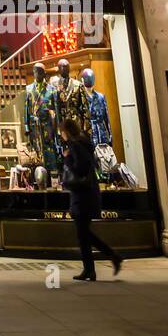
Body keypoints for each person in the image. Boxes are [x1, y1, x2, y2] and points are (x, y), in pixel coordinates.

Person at [60, 118, 123, 282]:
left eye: (62, 131)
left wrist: (66, 158)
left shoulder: (74, 145)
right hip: (88, 191)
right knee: (84, 233)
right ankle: (92, 268)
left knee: (83, 233)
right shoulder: (85, 142)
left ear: (66, 131)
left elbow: (79, 168)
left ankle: (105, 260)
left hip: (82, 193)